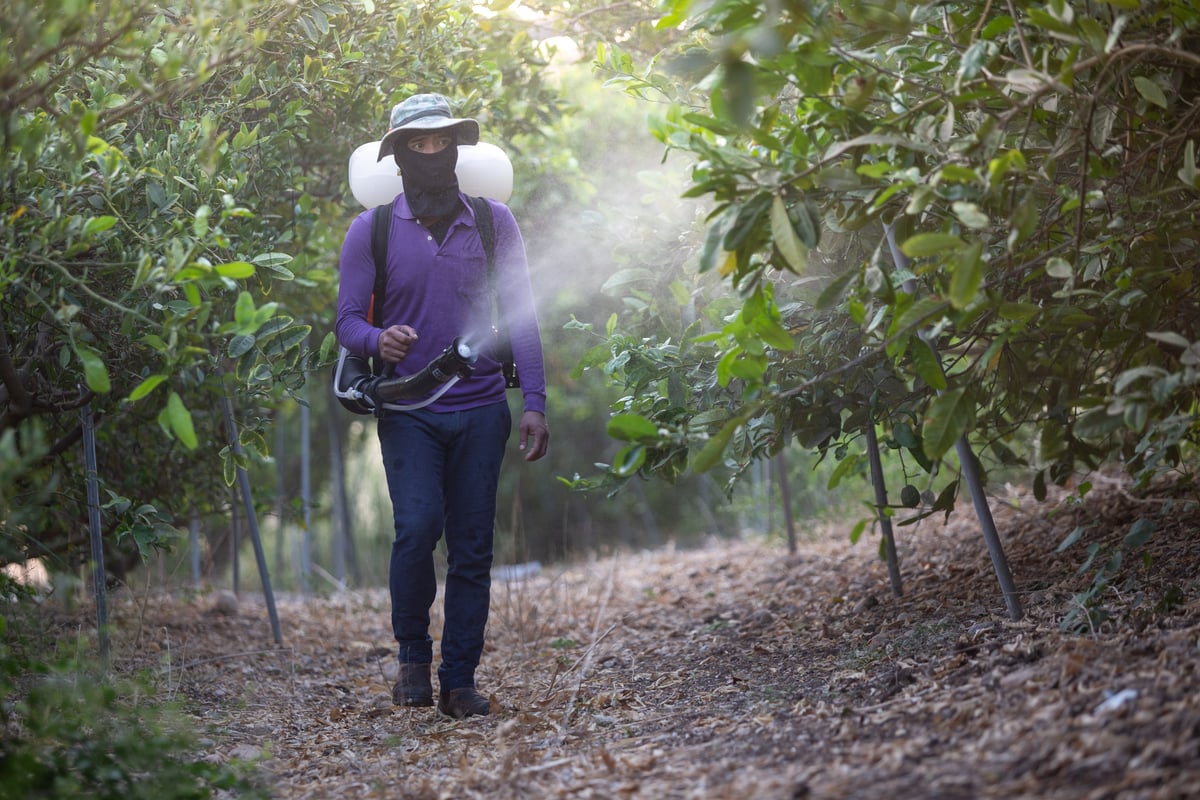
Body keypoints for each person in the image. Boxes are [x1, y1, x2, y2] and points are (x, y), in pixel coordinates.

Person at [335, 93, 549, 718]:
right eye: (417, 146)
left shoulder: (493, 222)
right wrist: (379, 340)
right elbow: (346, 321)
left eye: (441, 144)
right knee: (419, 527)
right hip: (409, 413)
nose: (431, 155)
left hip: (483, 410)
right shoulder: (370, 230)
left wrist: (533, 400)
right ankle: (411, 659)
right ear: (398, 156)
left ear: (456, 149)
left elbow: (523, 319)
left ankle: (459, 680)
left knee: (473, 546)